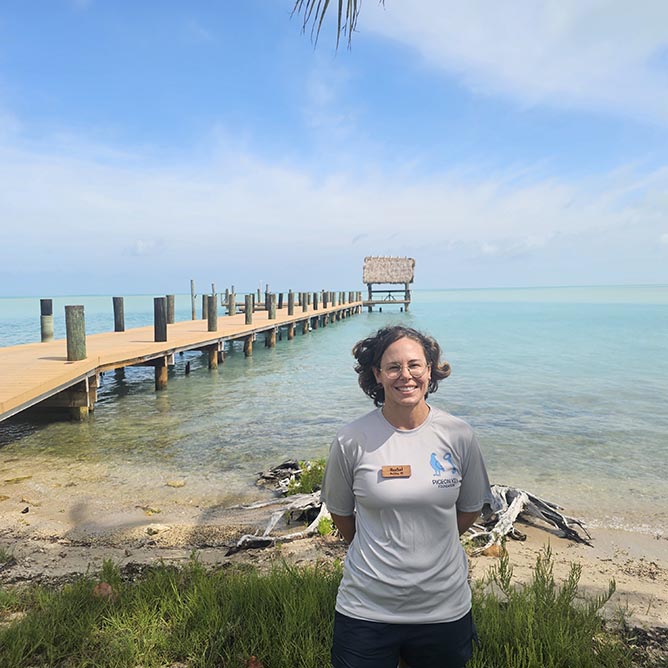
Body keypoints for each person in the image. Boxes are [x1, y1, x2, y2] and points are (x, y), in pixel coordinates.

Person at [320, 325, 496, 668]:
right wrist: (380, 550)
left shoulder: (459, 435)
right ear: (378, 375)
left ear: (430, 370)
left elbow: (470, 509)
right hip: (366, 607)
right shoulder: (351, 439)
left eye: (415, 365)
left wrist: (433, 545)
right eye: (394, 367)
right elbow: (342, 514)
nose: (406, 375)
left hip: (443, 608)